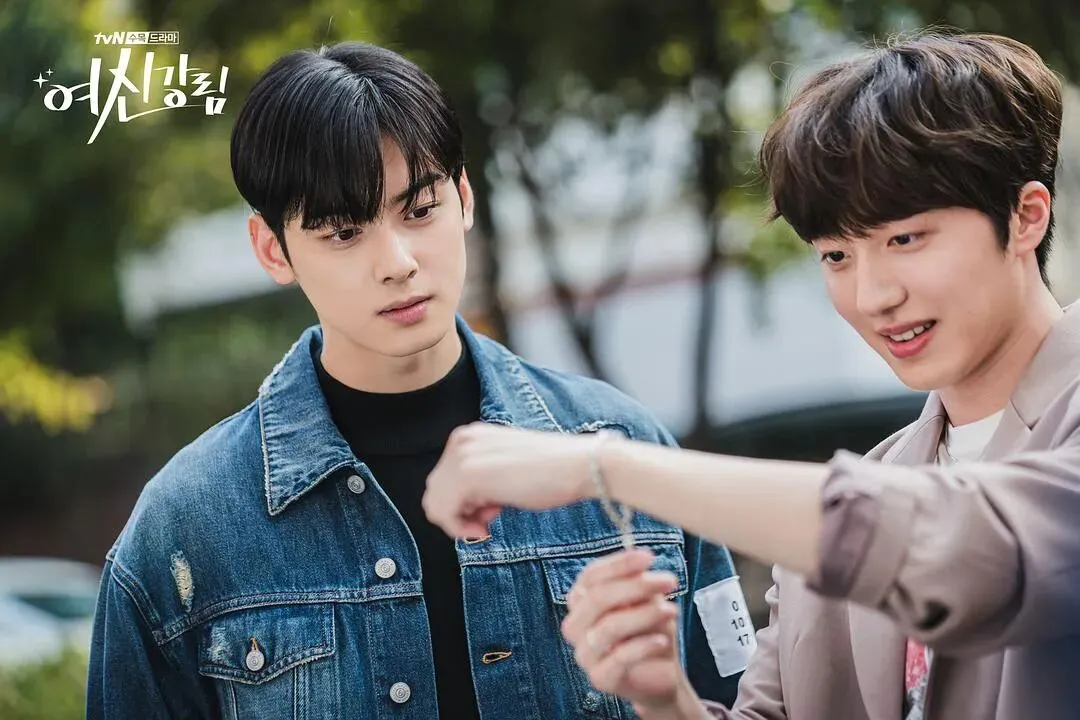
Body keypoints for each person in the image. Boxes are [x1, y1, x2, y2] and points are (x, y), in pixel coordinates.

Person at [422, 32, 1080, 719]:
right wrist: (664, 696)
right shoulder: (844, 504)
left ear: (1025, 217)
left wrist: (603, 467)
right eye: (836, 255)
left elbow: (966, 546)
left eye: (904, 239)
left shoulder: (846, 513)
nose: (873, 295)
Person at [85, 40, 749, 719]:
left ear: (463, 199)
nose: (398, 261)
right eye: (344, 232)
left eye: (420, 209)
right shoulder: (186, 526)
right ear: (272, 250)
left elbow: (737, 699)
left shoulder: (623, 452)